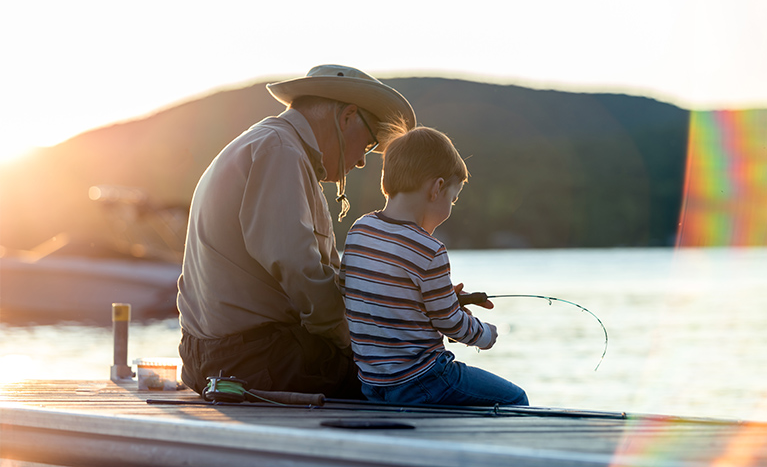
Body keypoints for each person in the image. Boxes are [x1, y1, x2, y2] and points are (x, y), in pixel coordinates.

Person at [177, 64, 416, 399]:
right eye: (370, 141)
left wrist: (412, 295)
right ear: (347, 117)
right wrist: (353, 339)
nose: (363, 160)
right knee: (406, 375)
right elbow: (298, 267)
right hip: (253, 357)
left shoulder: (271, 144)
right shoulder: (281, 152)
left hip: (211, 355)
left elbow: (315, 274)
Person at [340, 125, 529, 406]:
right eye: (453, 199)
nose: (451, 208)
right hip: (424, 380)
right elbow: (449, 322)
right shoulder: (430, 250)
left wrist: (432, 298)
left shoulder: (360, 230)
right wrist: (485, 334)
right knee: (515, 398)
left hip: (373, 385)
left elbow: (358, 294)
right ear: (437, 188)